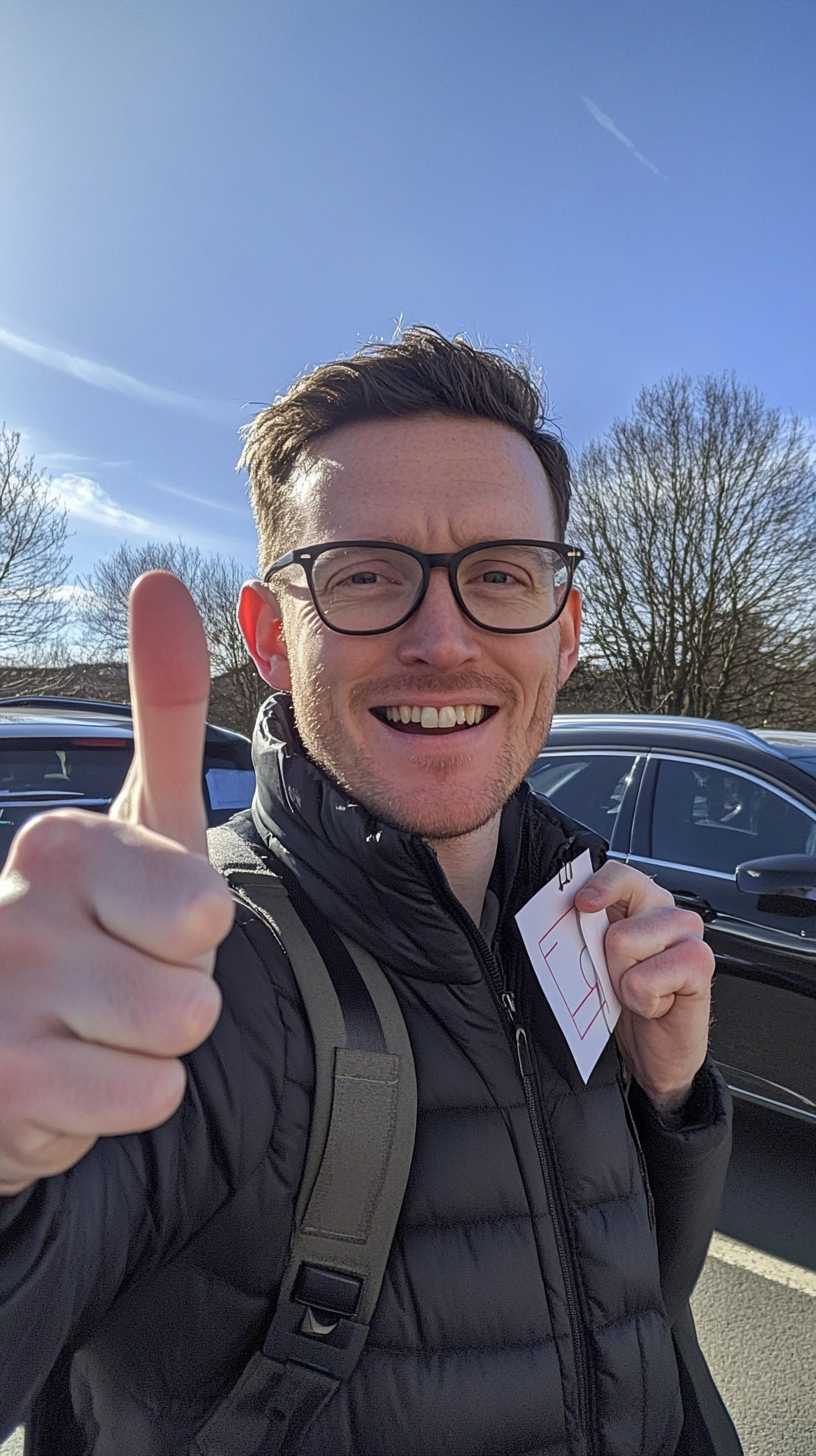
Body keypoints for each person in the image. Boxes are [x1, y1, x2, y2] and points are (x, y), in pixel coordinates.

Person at [0, 328, 740, 1456]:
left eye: (501, 574)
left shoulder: (582, 929)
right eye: (364, 577)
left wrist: (673, 1104)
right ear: (269, 636)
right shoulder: (204, 982)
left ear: (566, 626)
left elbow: (631, 1314)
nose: (441, 641)